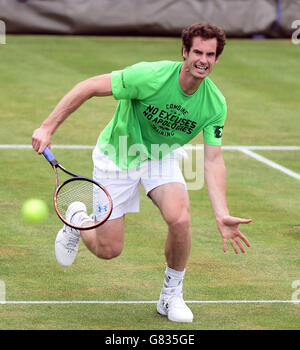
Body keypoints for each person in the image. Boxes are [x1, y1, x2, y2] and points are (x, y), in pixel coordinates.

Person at [32, 22, 251, 323]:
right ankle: (78, 219)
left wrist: (222, 213)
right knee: (109, 250)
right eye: (197, 52)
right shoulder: (150, 76)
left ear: (216, 59)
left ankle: (170, 296)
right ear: (185, 52)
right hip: (119, 155)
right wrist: (47, 127)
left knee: (180, 218)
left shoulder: (215, 104)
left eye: (210, 54)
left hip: (159, 157)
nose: (203, 60)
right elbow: (89, 87)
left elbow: (213, 160)